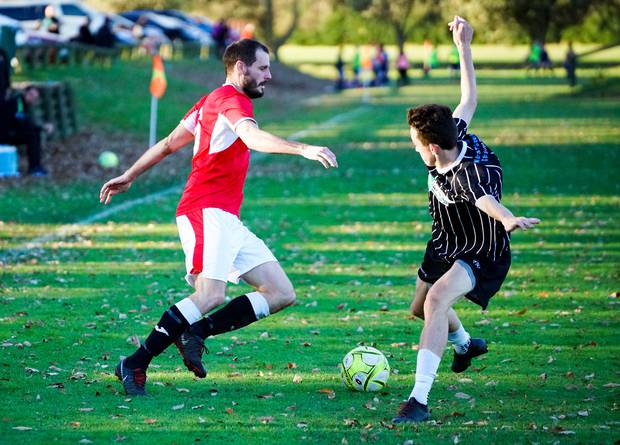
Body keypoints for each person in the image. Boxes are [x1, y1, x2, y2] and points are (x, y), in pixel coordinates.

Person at [99, 39, 338, 396]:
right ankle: (134, 363)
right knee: (210, 294)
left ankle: (196, 331)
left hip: (226, 217)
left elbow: (167, 144)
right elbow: (251, 136)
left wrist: (131, 174)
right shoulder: (231, 100)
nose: (269, 75)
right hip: (205, 210)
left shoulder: (210, 100)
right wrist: (302, 148)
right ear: (240, 67)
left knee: (280, 292)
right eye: (262, 68)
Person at [392, 17, 540, 423]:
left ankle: (418, 400)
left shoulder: (465, 174)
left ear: (435, 148)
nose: (413, 147)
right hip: (445, 240)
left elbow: (487, 200)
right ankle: (464, 344)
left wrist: (509, 219)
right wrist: (463, 45)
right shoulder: (454, 133)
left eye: (415, 144)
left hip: (481, 249)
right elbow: (469, 99)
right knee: (420, 309)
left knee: (439, 300)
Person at [0, 85, 51, 176]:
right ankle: (34, 167)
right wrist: (41, 128)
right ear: (25, 93)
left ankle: (35, 166)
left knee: (33, 134)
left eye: (35, 97)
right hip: (4, 136)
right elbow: (20, 123)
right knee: (33, 135)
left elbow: (25, 124)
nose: (32, 98)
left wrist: (40, 128)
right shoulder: (15, 103)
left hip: (9, 133)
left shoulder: (22, 104)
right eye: (31, 95)